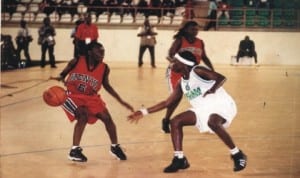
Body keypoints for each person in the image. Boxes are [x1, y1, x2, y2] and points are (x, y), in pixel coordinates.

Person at [128, 51, 247, 173]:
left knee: (213, 122)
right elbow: (167, 103)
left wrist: (212, 89)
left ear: (183, 63)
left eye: (174, 61)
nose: (171, 64)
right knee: (175, 121)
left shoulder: (197, 70)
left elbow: (221, 78)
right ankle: (179, 159)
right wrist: (143, 112)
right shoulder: (181, 83)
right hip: (203, 109)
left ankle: (237, 154)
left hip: (222, 105)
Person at [51, 42, 134, 162]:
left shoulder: (104, 68)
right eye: (98, 51)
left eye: (103, 51)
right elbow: (63, 73)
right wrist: (60, 77)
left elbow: (107, 86)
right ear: (90, 52)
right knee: (83, 115)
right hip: (72, 95)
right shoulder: (77, 61)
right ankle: (74, 151)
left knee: (107, 118)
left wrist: (121, 101)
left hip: (91, 97)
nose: (102, 53)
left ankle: (115, 147)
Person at [162, 20, 214, 133]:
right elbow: (170, 54)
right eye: (192, 29)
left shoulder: (200, 42)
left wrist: (212, 70)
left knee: (203, 96)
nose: (195, 31)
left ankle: (208, 122)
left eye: (196, 29)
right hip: (176, 73)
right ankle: (166, 120)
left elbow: (204, 57)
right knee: (175, 98)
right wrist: (176, 63)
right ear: (186, 29)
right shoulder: (180, 40)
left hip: (193, 74)